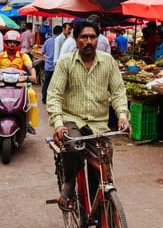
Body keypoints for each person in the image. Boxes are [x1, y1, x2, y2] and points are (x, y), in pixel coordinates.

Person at [47, 19, 129, 209]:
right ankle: (69, 183)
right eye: (84, 37)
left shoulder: (108, 61)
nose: (89, 41)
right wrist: (58, 123)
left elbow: (118, 92)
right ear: (76, 39)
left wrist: (123, 116)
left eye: (93, 37)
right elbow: (54, 95)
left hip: (99, 124)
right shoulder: (66, 62)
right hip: (72, 120)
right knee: (74, 146)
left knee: (103, 172)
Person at [0, 29, 38, 136]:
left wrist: (33, 75)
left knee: (32, 94)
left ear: (18, 44)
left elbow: (30, 67)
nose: (12, 45)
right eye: (10, 42)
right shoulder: (0, 56)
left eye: (14, 43)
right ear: (6, 43)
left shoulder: (23, 56)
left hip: (20, 85)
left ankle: (28, 123)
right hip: (0, 85)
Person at [41, 24, 61, 103]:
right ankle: (54, 100)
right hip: (58, 67)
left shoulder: (48, 41)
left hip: (48, 66)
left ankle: (44, 98)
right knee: (56, 84)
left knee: (46, 83)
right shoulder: (62, 41)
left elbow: (42, 52)